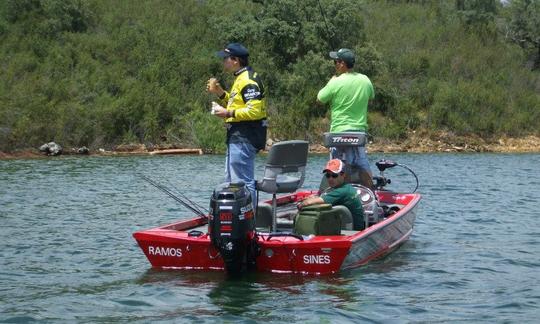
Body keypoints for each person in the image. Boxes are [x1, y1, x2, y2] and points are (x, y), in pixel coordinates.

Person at [206, 42, 267, 205]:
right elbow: (237, 103)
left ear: (235, 60)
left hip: (244, 137)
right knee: (233, 180)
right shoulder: (241, 78)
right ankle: (238, 221)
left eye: (225, 58)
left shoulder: (247, 81)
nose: (223, 61)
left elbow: (254, 111)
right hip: (238, 136)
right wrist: (219, 92)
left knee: (243, 183)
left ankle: (250, 223)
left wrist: (227, 113)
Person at [317, 48, 375, 189]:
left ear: (342, 63)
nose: (335, 64)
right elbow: (371, 98)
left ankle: (344, 196)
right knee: (362, 163)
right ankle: (372, 194)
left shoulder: (335, 82)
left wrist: (330, 82)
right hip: (358, 132)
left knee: (339, 166)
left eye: (336, 61)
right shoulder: (365, 80)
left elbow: (319, 99)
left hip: (339, 132)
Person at [297, 159, 365, 230]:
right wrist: (314, 198)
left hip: (352, 232)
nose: (330, 179)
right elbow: (323, 197)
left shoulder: (341, 191)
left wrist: (300, 205)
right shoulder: (347, 187)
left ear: (343, 175)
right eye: (328, 175)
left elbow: (308, 203)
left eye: (334, 175)